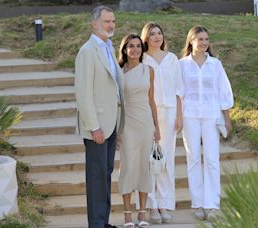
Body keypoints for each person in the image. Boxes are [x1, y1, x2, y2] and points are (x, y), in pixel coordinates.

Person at [74, 6, 124, 228]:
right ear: (94, 24)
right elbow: (84, 94)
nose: (111, 25)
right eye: (106, 22)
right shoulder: (87, 51)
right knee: (96, 177)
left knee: (105, 175)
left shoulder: (109, 48)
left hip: (111, 124)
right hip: (97, 127)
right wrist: (94, 127)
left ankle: (103, 222)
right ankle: (96, 224)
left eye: (113, 21)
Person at [179, 26, 234, 220]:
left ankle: (212, 204)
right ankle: (199, 204)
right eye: (200, 39)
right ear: (191, 41)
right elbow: (179, 93)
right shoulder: (182, 65)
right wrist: (178, 117)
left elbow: (224, 91)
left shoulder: (215, 64)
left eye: (206, 39)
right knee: (193, 158)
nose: (204, 43)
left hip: (211, 115)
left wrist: (227, 117)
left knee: (211, 159)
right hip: (189, 116)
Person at [140, 22, 184, 224]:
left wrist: (179, 115)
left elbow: (179, 90)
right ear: (146, 38)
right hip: (149, 112)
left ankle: (165, 203)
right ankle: (152, 204)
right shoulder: (142, 59)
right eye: (152, 34)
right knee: (151, 160)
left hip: (170, 112)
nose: (157, 37)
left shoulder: (172, 59)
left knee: (166, 159)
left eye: (159, 33)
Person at [117, 34, 160, 228]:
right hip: (126, 123)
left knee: (144, 167)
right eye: (131, 46)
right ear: (125, 50)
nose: (135, 50)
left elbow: (152, 101)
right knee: (127, 167)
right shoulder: (118, 72)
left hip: (145, 123)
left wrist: (156, 127)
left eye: (138, 46)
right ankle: (127, 213)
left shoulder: (149, 71)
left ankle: (142, 212)